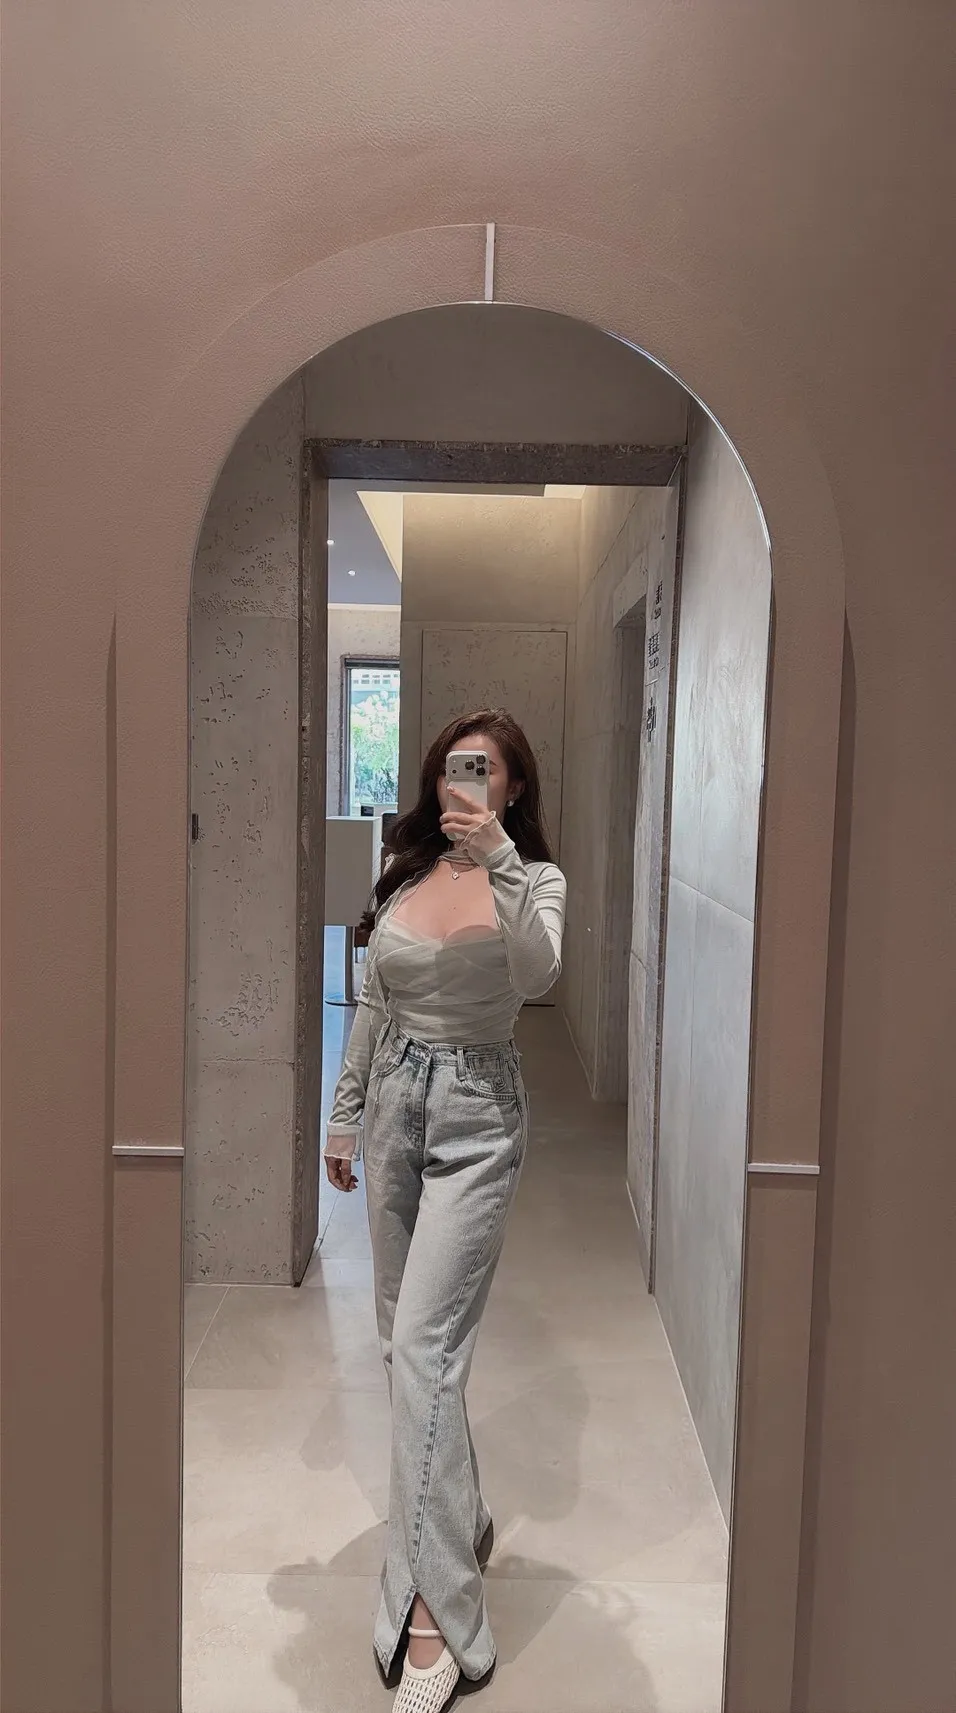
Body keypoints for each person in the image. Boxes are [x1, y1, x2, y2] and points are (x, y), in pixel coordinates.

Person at [325, 709, 567, 1712]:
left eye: (486, 770)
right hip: (394, 1101)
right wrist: (344, 1116)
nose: (464, 783)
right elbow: (374, 999)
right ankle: (459, 1518)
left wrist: (500, 857)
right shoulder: (406, 868)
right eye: (453, 768)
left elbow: (537, 974)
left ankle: (435, 1613)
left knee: (426, 1348)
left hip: (478, 1111)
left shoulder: (534, 879)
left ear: (513, 787)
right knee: (400, 1343)